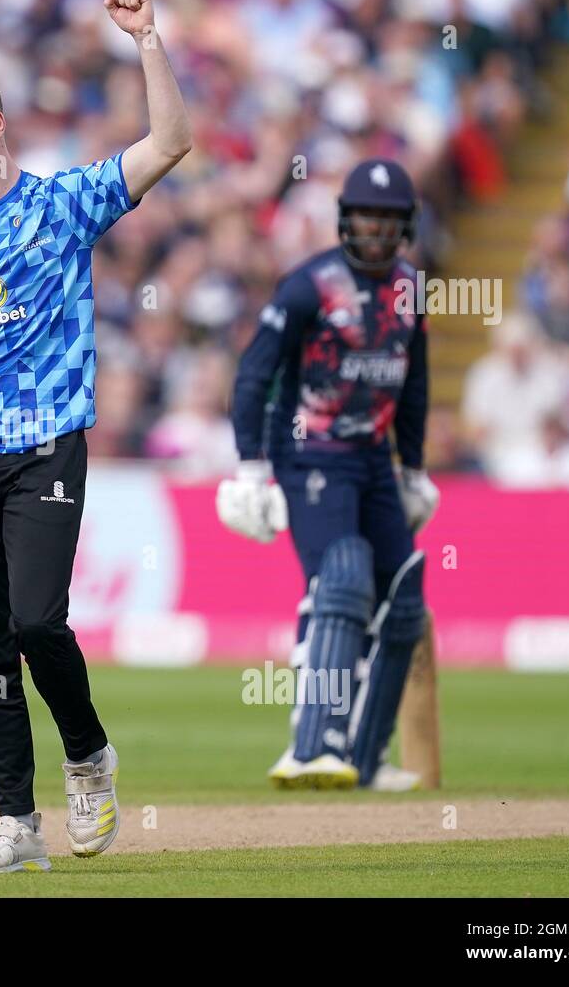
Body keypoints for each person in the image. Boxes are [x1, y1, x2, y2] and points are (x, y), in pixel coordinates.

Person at [0, 0, 191, 872]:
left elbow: (171, 143)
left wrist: (149, 42)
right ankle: (17, 824)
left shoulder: (62, 207)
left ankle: (89, 757)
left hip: (47, 445)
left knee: (35, 620)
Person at [219, 157, 440, 792]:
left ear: (405, 227)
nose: (374, 230)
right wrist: (250, 468)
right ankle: (311, 745)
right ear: (346, 219)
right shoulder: (308, 286)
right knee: (341, 576)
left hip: (373, 459)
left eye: (387, 220)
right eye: (365, 217)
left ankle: (364, 761)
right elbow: (254, 373)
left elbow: (415, 384)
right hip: (310, 455)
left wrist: (415, 470)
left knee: (402, 598)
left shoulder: (411, 290)